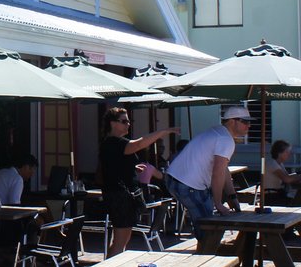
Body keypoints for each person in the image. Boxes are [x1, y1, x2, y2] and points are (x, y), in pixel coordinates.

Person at [98, 107, 179, 257]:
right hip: (119, 196)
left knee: (122, 239)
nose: (128, 124)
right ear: (113, 124)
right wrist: (163, 132)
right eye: (124, 121)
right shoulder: (114, 142)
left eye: (129, 121)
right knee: (120, 240)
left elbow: (114, 165)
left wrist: (133, 167)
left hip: (122, 194)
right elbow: (139, 144)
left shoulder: (114, 143)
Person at [167, 105, 252, 225]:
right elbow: (218, 173)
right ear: (232, 121)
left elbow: (224, 170)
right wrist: (218, 204)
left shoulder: (218, 131)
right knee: (209, 228)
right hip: (188, 184)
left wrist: (232, 197)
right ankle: (208, 242)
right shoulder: (225, 139)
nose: (249, 125)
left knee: (209, 226)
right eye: (245, 122)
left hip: (174, 179)